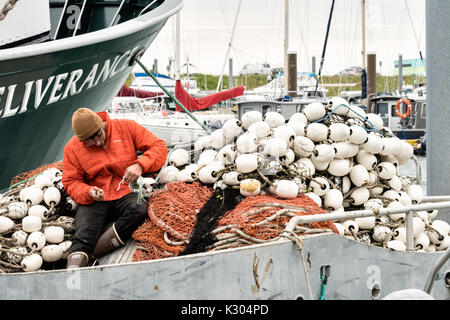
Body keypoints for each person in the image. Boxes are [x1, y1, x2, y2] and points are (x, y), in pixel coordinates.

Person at [62, 107, 167, 268]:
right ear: (81, 140)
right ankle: (72, 273)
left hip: (126, 190)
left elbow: (158, 147)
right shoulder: (72, 148)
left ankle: (94, 253)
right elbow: (71, 181)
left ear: (101, 124)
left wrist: (140, 165)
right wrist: (88, 191)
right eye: (89, 141)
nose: (97, 142)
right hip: (96, 197)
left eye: (98, 135)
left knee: (139, 209)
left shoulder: (126, 127)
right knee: (84, 234)